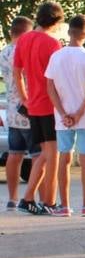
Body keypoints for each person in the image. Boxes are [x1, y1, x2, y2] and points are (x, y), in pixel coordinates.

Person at [45, 14, 85, 217]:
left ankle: (64, 206)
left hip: (63, 118)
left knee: (65, 157)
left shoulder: (56, 56)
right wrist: (79, 113)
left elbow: (50, 87)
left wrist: (64, 113)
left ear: (69, 31)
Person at [12, 0, 65, 215]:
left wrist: (25, 98)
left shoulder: (23, 40)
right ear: (56, 21)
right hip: (49, 105)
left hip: (33, 105)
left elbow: (17, 72)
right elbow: (57, 78)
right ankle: (49, 202)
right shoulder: (53, 44)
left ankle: (28, 198)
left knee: (44, 154)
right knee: (52, 156)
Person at [0, 16, 43, 209]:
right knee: (38, 155)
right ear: (27, 33)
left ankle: (12, 198)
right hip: (29, 110)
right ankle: (38, 197)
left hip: (11, 112)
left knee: (14, 155)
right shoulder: (26, 51)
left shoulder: (4, 52)